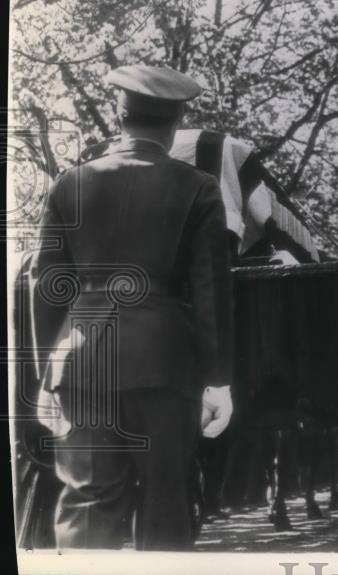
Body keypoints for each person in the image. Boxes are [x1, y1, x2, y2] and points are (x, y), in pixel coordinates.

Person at [31, 63, 234, 550]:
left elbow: (47, 288)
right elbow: (211, 291)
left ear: (117, 115)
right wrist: (219, 379)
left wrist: (46, 374)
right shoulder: (200, 188)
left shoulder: (69, 184)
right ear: (175, 124)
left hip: (80, 365)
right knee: (166, 504)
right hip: (164, 365)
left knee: (87, 502)